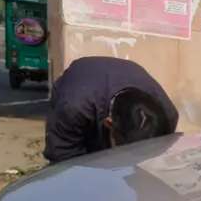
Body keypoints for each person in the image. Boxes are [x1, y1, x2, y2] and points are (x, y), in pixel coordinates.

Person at [44, 57, 179, 163]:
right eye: (130, 156)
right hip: (83, 78)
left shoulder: (168, 116)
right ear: (109, 123)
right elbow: (63, 159)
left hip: (121, 76)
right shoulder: (72, 108)